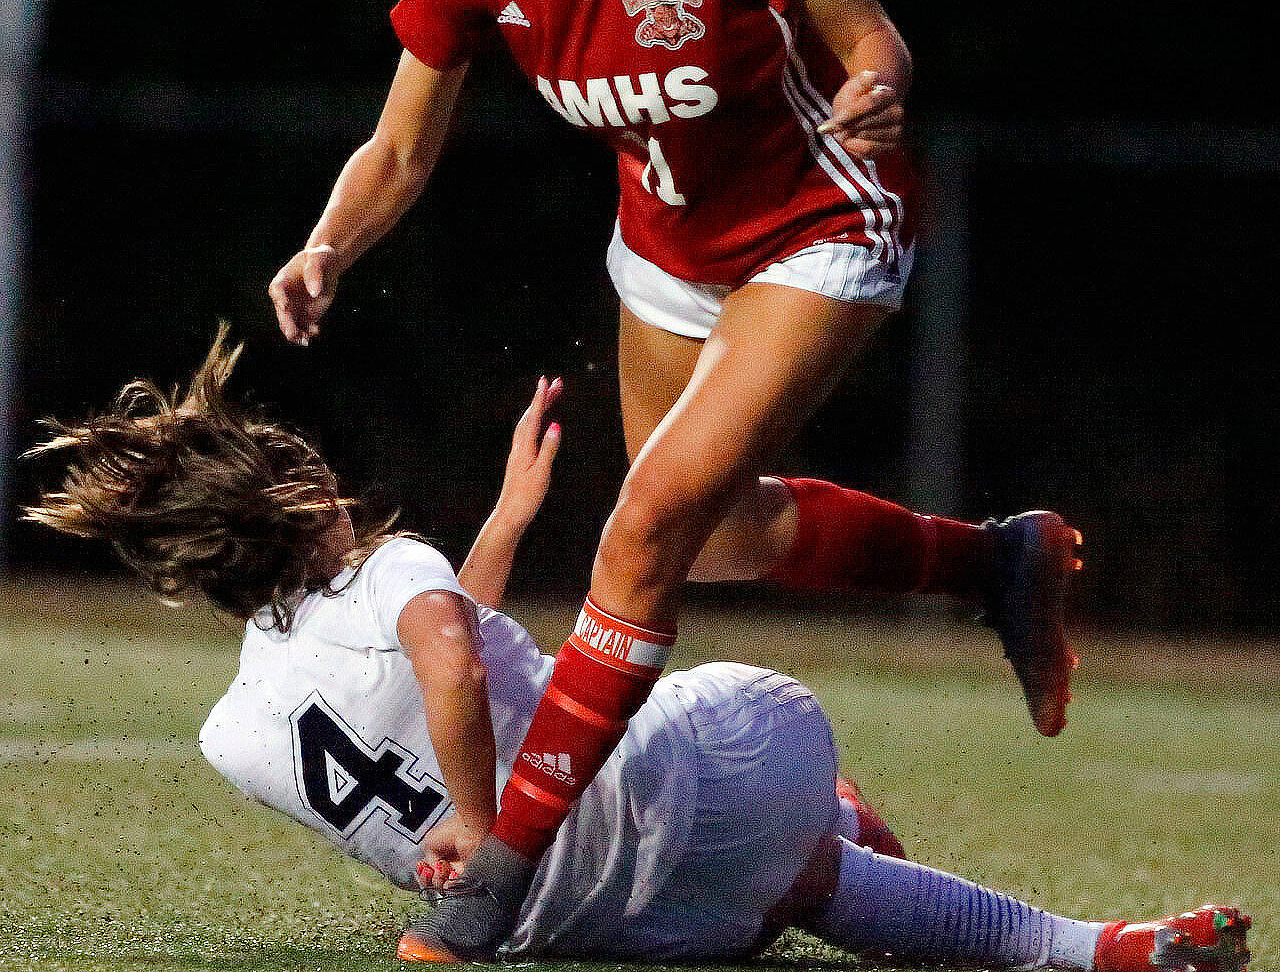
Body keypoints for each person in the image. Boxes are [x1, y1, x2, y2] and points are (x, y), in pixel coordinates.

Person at [267, 0, 1084, 955]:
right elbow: (402, 146)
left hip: (828, 219)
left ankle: (501, 872)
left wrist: (879, 89)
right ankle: (997, 558)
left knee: (643, 524)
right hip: (667, 246)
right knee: (717, 541)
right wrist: (326, 246)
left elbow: (871, 37)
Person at [24, 334, 1247, 971]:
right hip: (651, 812)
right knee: (757, 728)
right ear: (291, 501)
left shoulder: (229, 736)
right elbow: (445, 655)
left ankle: (1087, 950)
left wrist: (503, 520)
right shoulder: (394, 580)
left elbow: (426, 656)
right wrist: (477, 817)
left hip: (604, 921)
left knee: (804, 878)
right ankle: (873, 835)